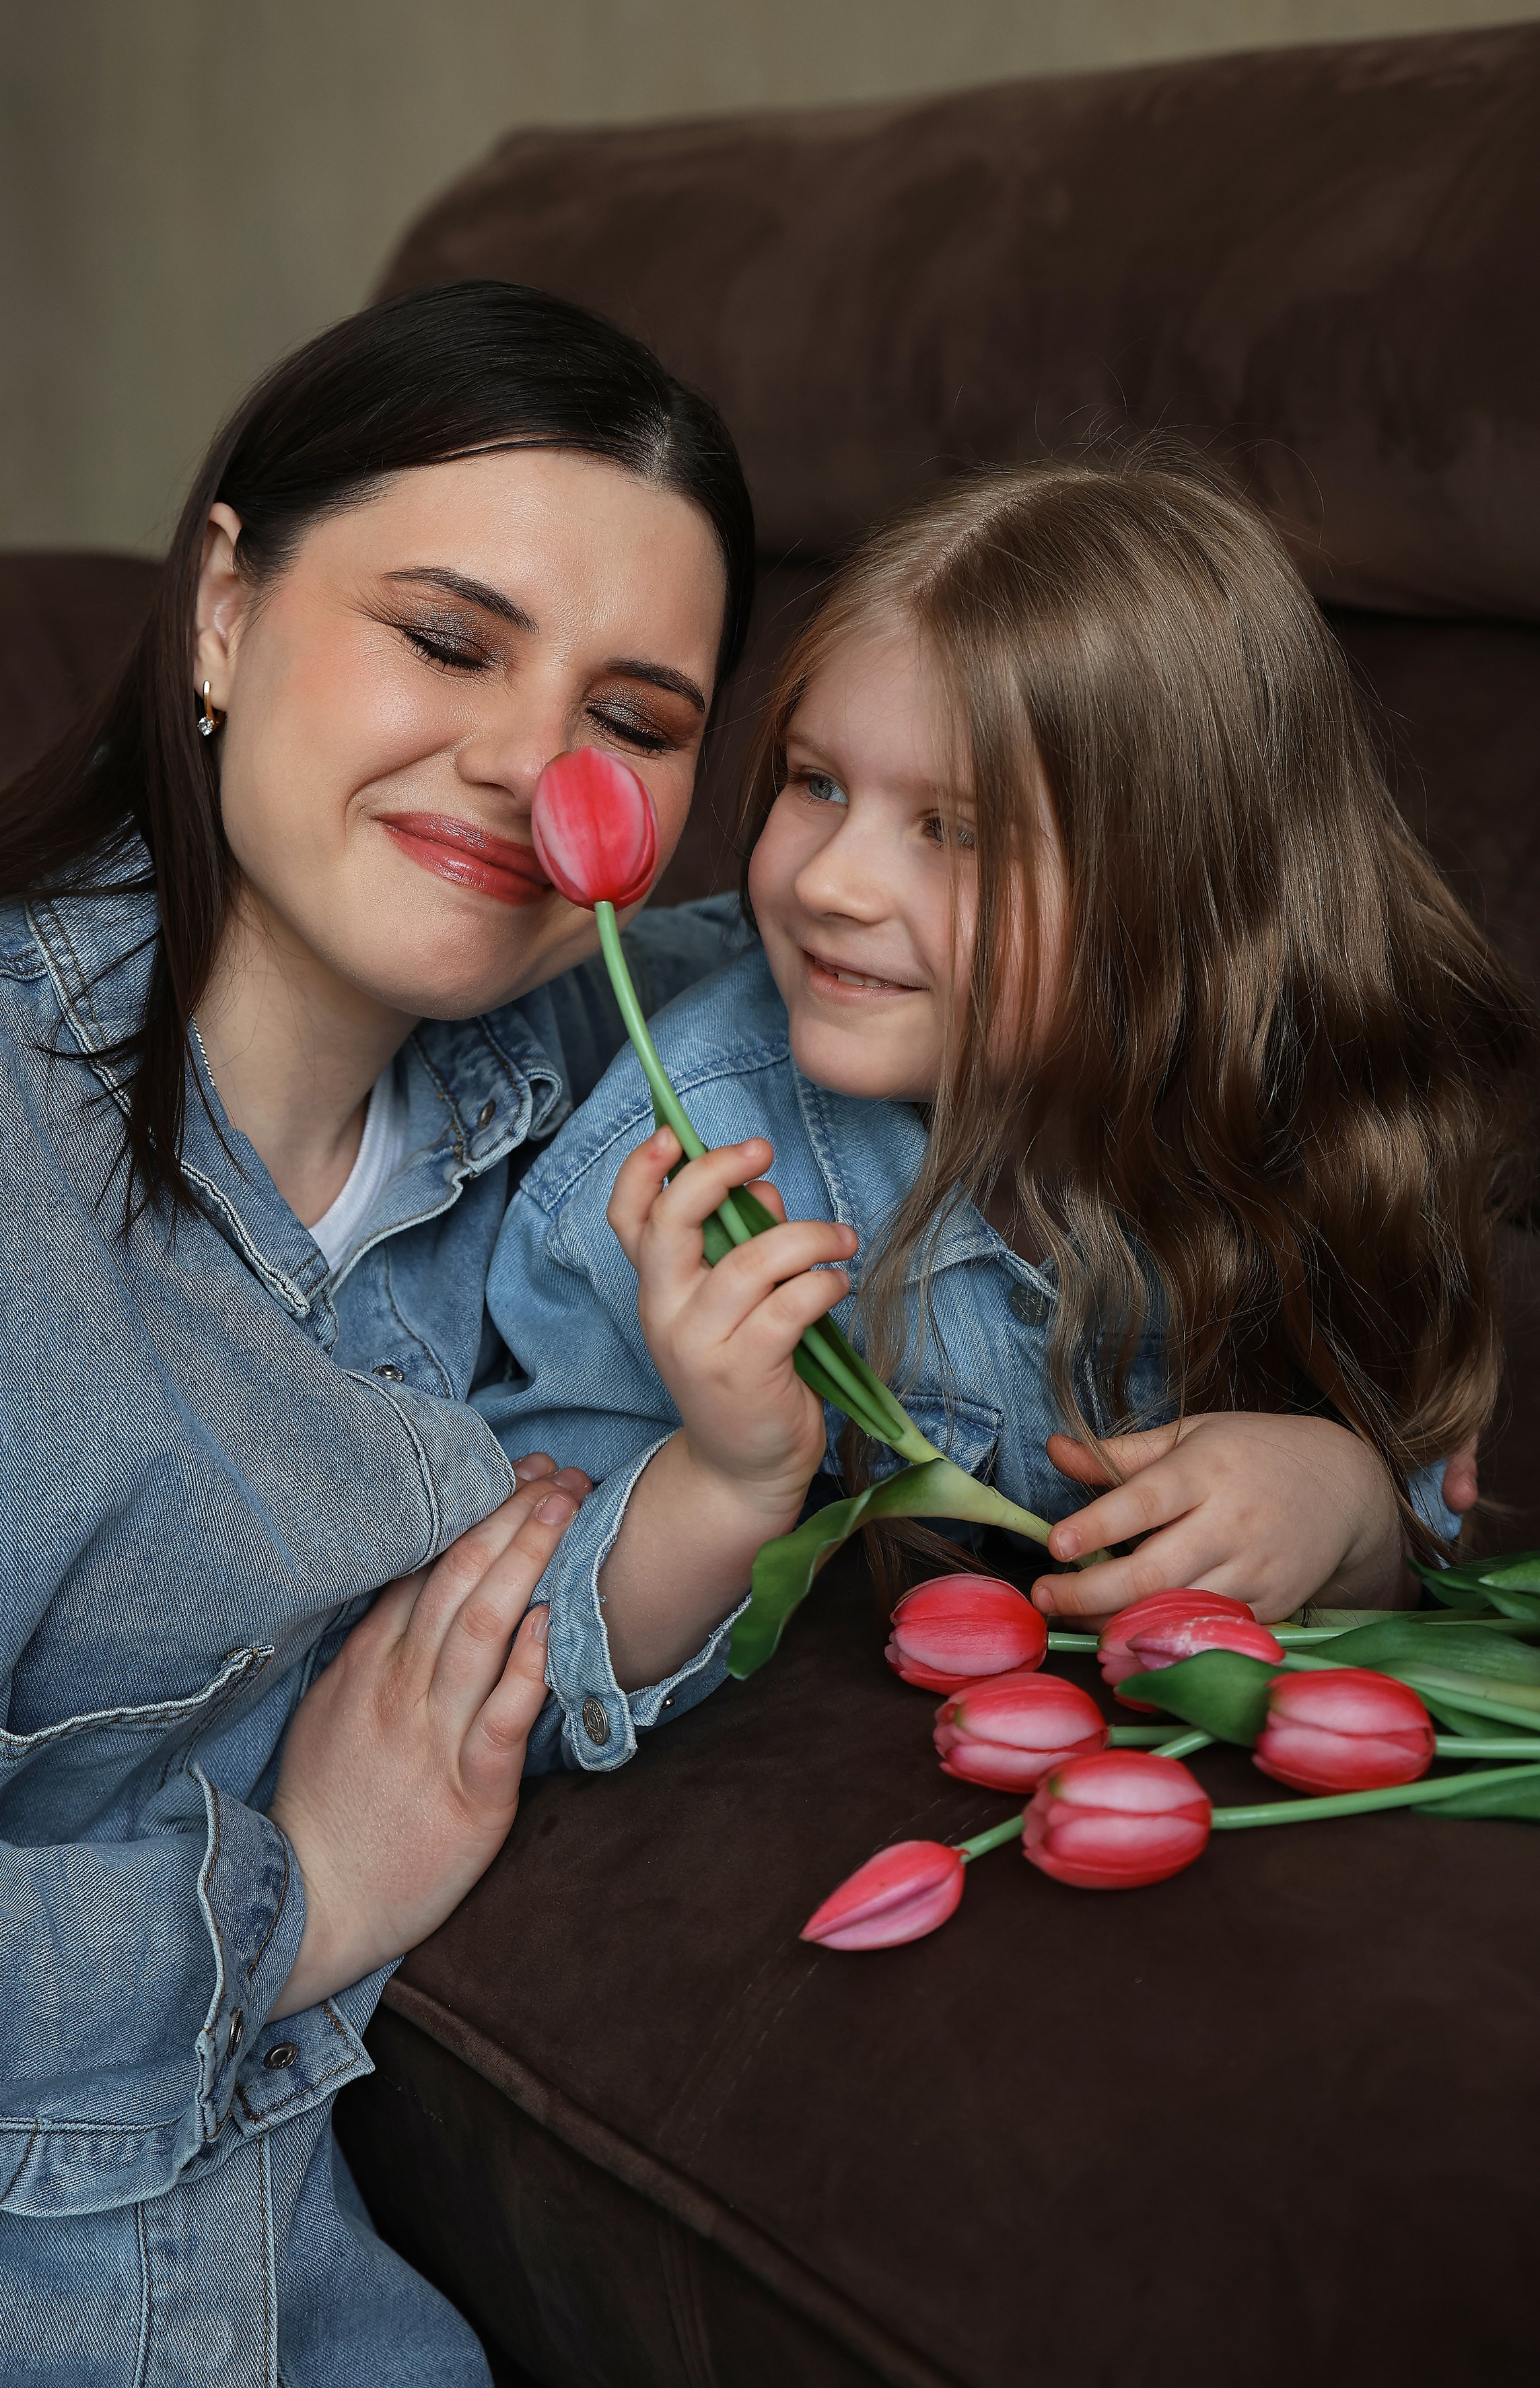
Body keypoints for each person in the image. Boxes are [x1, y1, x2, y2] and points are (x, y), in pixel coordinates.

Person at [0, 279, 765, 2387]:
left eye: (639, 719)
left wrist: (1358, 1469)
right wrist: (292, 1901)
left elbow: (1027, 1032)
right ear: (223, 611)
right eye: (447, 640)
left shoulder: (606, 1086)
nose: (537, 768)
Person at [477, 447, 1527, 1703]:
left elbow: (1424, 1540)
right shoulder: (676, 1169)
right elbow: (521, 1655)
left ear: (1189, 901)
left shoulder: (1322, 1109)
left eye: (955, 831)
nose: (828, 882)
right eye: (817, 783)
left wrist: (1354, 1511)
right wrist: (727, 1477)